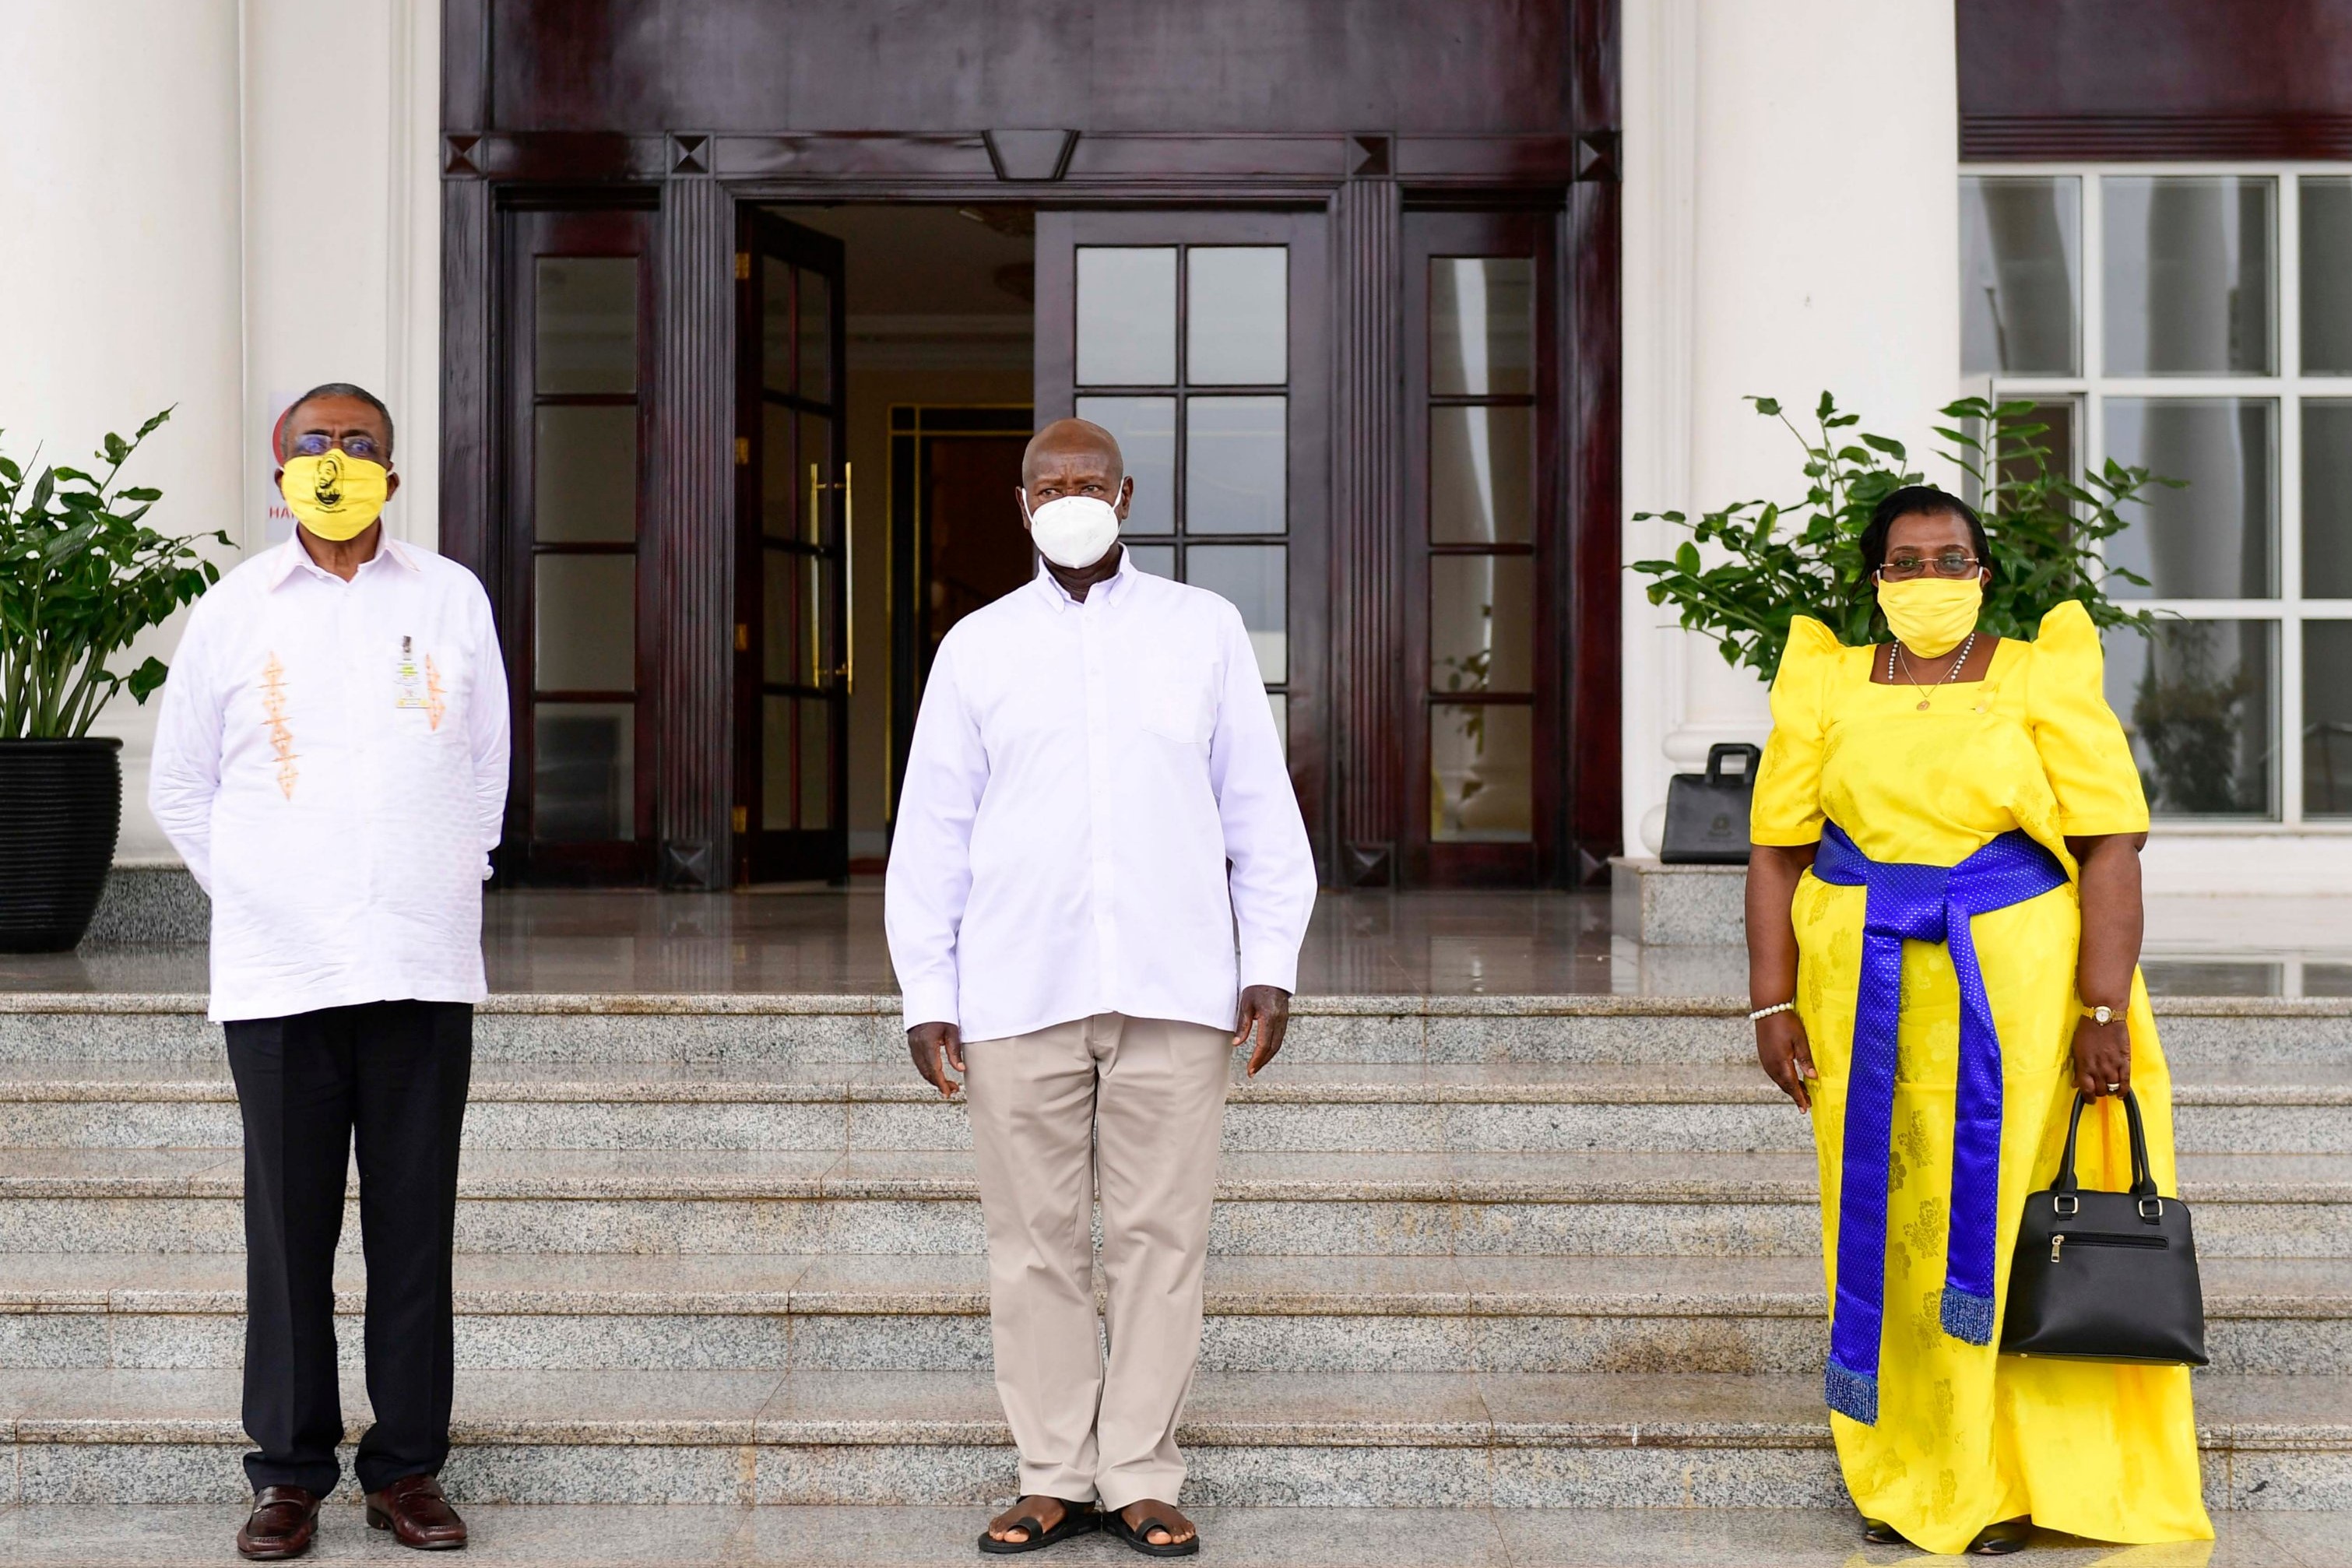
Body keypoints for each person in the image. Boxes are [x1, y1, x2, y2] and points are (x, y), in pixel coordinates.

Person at [1744, 485, 2213, 1556]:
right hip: (1860, 995)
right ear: (1874, 579)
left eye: (1949, 559)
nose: (1927, 581)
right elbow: (1775, 848)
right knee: (1877, 1223)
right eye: (1903, 563)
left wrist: (2101, 1005)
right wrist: (1770, 999)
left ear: (1982, 571)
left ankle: (1999, 1476)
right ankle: (1898, 1466)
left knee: (2001, 1233)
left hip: (2021, 994)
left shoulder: (2040, 670)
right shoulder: (1825, 682)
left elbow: (2108, 844)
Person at [885, 417, 1317, 1557]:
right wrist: (926, 987)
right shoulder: (976, 647)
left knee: (1159, 1238)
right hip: (1016, 988)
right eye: (1049, 483)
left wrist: (1267, 961)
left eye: (1089, 480)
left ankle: (1138, 1470)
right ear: (1020, 505)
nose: (1070, 496)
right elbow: (932, 828)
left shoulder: (1202, 629)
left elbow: (1257, 809)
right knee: (1032, 1242)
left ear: (1125, 495)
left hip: (1176, 985)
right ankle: (1050, 1472)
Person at [149, 383, 508, 1560]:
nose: (337, 458)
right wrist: (262, 893)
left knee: (414, 1227)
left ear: (393, 475)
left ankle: (406, 1466)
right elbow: (182, 788)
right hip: (278, 975)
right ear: (279, 467)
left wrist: (445, 877)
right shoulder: (231, 611)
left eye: (360, 444)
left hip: (417, 963)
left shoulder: (450, 597)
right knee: (289, 1232)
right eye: (318, 443)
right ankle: (289, 1472)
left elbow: (485, 765)